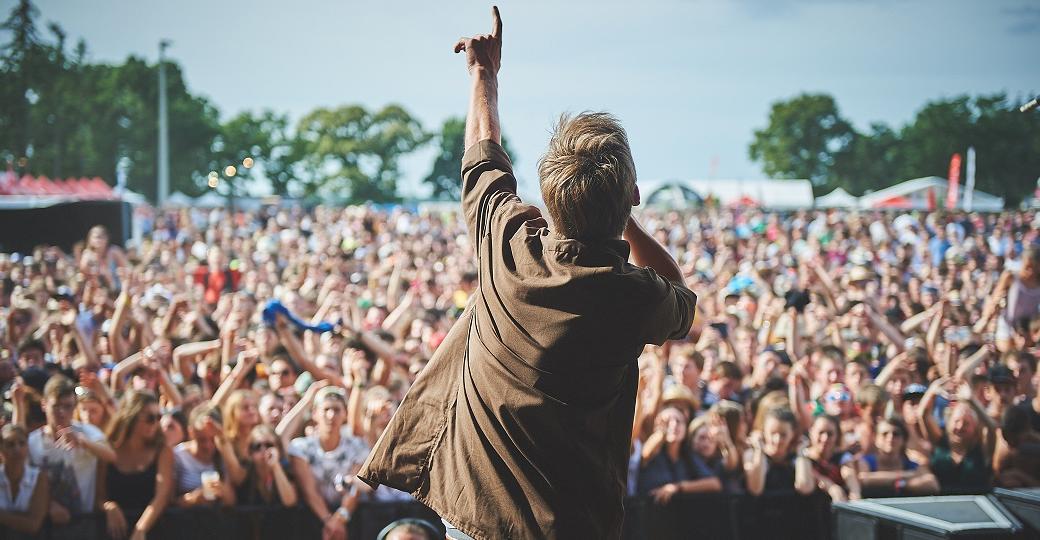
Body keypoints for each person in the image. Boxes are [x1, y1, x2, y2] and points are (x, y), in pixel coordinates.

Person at [357, 7, 697, 539]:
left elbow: (483, 159)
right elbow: (680, 296)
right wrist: (625, 217)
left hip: (476, 518)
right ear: (631, 197)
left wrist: (483, 74)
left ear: (550, 198)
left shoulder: (510, 248)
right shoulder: (636, 299)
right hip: (572, 526)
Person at [25, 374, 114, 525]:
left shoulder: (88, 432)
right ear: (44, 405)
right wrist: (49, 505)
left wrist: (82, 441)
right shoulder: (32, 441)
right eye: (56, 406)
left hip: (84, 523)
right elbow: (26, 483)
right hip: (45, 525)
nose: (62, 412)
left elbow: (111, 456)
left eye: (67, 406)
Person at [289, 386, 367, 540]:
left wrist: (340, 519)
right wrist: (329, 522)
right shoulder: (300, 447)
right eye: (326, 409)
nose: (331, 415)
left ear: (345, 414)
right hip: (310, 519)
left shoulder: (358, 445)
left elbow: (355, 487)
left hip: (349, 519)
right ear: (315, 413)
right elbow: (309, 490)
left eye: (337, 410)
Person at [96, 391, 174, 540]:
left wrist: (140, 529)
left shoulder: (162, 450)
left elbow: (161, 496)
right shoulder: (108, 450)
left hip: (151, 531)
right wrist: (109, 507)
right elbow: (99, 497)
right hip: (115, 533)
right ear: (131, 416)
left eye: (159, 417)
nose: (156, 424)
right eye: (150, 418)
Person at [853, 416, 939, 497]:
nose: (890, 438)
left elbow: (932, 485)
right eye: (885, 434)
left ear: (904, 440)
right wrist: (905, 476)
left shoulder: (912, 464)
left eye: (896, 434)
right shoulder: (866, 461)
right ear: (876, 439)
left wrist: (901, 484)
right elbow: (863, 479)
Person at [744, 408, 814, 496]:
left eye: (783, 435)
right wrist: (759, 450)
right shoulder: (752, 454)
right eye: (772, 433)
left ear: (793, 433)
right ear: (764, 432)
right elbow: (755, 489)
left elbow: (805, 488)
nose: (777, 440)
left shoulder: (799, 457)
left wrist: (801, 453)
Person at [0, 424, 49, 537]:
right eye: (10, 445)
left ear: (27, 447)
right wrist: (20, 519)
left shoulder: (39, 477)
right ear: (1, 449)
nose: (17, 449)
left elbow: (33, 525)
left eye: (22, 443)